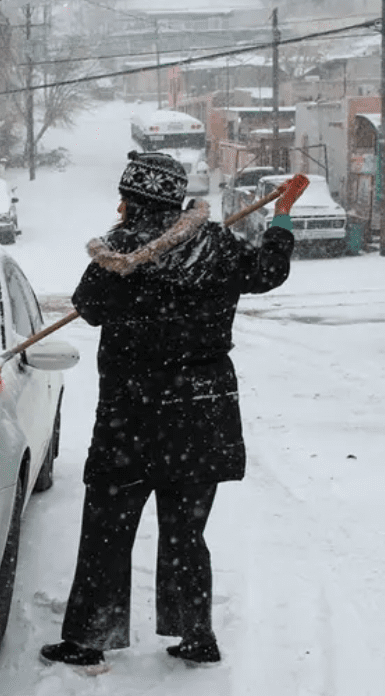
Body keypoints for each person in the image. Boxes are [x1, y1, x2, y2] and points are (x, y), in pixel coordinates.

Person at [39, 151, 308, 668]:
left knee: (107, 530)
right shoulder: (217, 245)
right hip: (200, 414)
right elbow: (270, 271)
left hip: (131, 417)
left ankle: (88, 638)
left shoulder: (117, 254)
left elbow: (90, 307)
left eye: (124, 196)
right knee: (187, 531)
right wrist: (282, 217)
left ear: (134, 199)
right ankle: (195, 634)